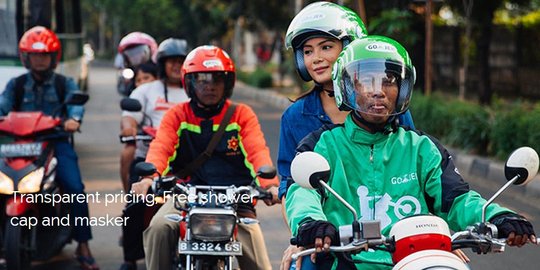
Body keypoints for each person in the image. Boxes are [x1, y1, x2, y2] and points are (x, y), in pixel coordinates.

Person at [285, 35, 537, 269]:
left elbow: (458, 199)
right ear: (346, 88)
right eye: (365, 81)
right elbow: (302, 194)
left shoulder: (422, 148)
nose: (378, 90)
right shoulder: (323, 145)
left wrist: (498, 215)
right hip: (345, 262)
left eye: (389, 80)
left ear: (402, 89)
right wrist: (312, 223)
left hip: (417, 261)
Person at [278, 2, 415, 269]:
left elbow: (417, 173)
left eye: (326, 47)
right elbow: (291, 187)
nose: (316, 57)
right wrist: (301, 235)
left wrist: (435, 238)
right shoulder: (296, 117)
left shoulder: (387, 108)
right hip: (329, 238)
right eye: (307, 51)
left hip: (389, 232)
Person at [131, 45, 280, 270]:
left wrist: (269, 185)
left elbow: (257, 151)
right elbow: (161, 147)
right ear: (189, 83)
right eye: (202, 80)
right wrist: (149, 178)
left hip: (235, 199)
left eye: (217, 80)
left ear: (227, 84)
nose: (209, 86)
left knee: (259, 260)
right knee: (158, 228)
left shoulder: (241, 115)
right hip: (186, 196)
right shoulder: (177, 115)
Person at [0, 26, 99, 270]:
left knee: (74, 187)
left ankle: (83, 246)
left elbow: (76, 105)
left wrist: (73, 119)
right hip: (19, 146)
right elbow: (2, 105)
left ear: (54, 58)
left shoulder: (65, 83)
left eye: (45, 55)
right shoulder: (16, 84)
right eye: (35, 55)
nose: (40, 60)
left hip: (55, 144)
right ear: (26, 57)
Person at [119, 38, 190, 270]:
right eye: (171, 62)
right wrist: (129, 127)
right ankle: (130, 257)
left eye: (181, 61)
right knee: (135, 204)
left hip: (184, 164)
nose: (176, 66)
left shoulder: (196, 91)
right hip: (147, 160)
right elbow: (130, 116)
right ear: (161, 63)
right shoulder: (145, 90)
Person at [116, 31, 158, 97]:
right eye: (131, 54)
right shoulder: (130, 72)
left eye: (139, 52)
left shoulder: (157, 70)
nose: (135, 57)